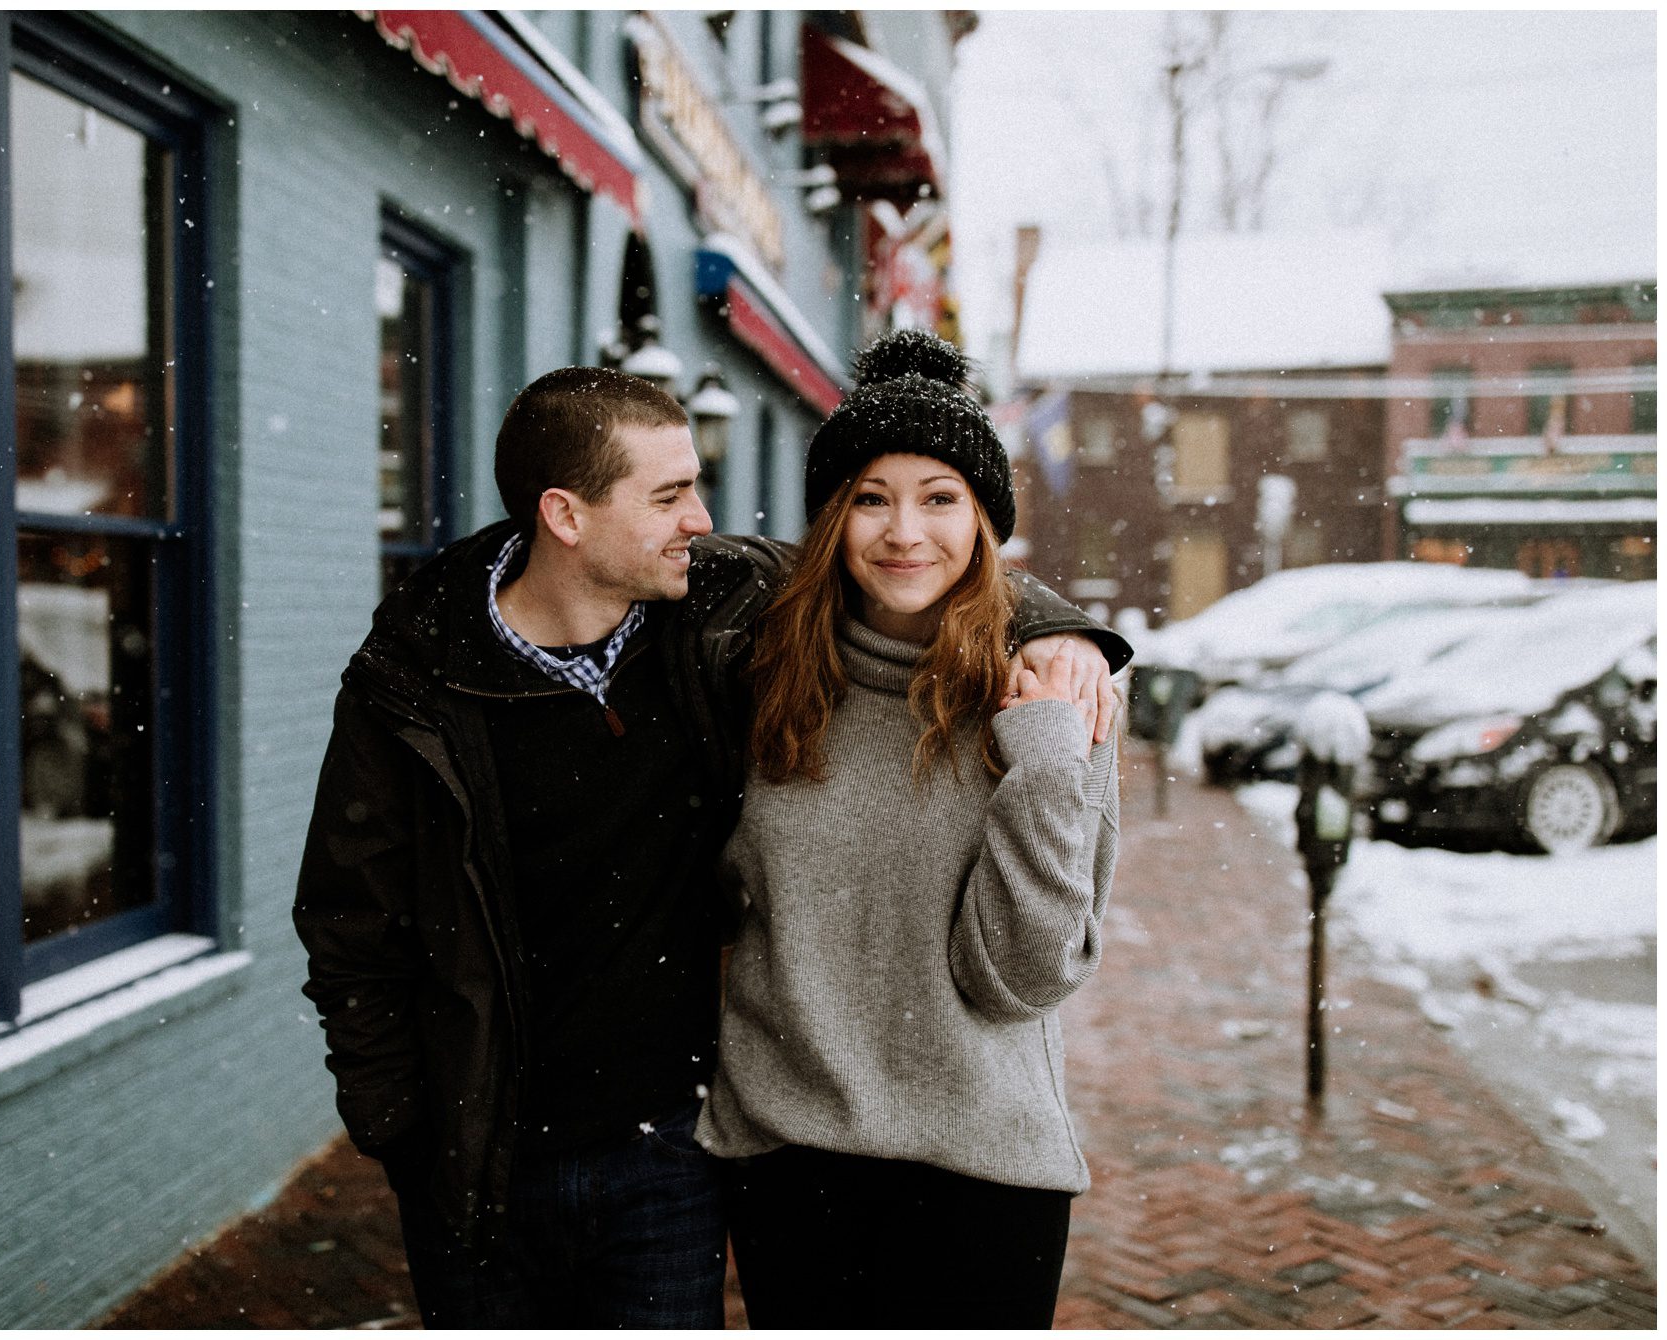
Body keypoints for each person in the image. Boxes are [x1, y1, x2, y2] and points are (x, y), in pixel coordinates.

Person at [292, 361, 1128, 1328]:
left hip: (687, 1150)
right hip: (511, 1152)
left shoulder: (716, 620)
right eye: (671, 493)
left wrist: (1064, 636)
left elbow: (928, 567)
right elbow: (351, 921)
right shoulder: (432, 686)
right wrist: (400, 1124)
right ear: (566, 517)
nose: (702, 517)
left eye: (941, 496)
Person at [696, 330, 1122, 1329]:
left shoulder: (1059, 690)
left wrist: (1044, 757)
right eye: (870, 496)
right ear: (832, 515)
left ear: (982, 520)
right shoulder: (747, 668)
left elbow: (1020, 972)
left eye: (939, 497)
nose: (903, 531)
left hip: (984, 1169)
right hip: (789, 1163)